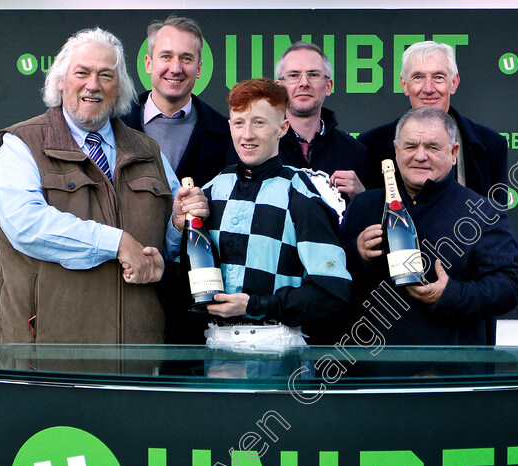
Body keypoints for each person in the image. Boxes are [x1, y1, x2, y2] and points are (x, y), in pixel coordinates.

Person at [0, 27, 206, 344]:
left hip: (137, 358)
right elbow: (27, 226)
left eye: (106, 75)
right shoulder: (21, 145)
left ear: (119, 88)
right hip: (49, 357)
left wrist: (175, 225)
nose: (93, 85)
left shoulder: (148, 151)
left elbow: (168, 250)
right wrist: (115, 242)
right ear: (60, 81)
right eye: (82, 73)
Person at [170, 78, 352, 349]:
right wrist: (176, 225)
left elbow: (333, 291)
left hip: (280, 346)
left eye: (259, 122)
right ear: (229, 126)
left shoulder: (302, 196)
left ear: (282, 128)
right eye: (240, 122)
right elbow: (179, 280)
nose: (248, 135)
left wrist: (255, 305)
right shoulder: (209, 191)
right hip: (215, 347)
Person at [341, 107, 518, 346]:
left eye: (432, 147)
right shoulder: (363, 206)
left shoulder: (483, 212)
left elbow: (509, 286)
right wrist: (356, 253)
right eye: (410, 146)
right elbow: (330, 278)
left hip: (448, 372)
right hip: (374, 373)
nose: (420, 156)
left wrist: (450, 294)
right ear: (396, 151)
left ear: (454, 152)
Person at [358, 41, 507, 203]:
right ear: (404, 84)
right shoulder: (371, 145)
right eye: (418, 77)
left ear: (454, 83)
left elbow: (496, 219)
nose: (428, 88)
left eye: (438, 77)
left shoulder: (491, 145)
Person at [122, 15, 231, 188]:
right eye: (166, 56)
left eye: (186, 58)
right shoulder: (114, 126)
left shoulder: (225, 133)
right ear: (148, 64)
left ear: (199, 68)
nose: (175, 69)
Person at [275, 42, 368, 200]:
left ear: (328, 86)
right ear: (278, 88)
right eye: (294, 75)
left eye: (313, 75)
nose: (304, 83)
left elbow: (373, 221)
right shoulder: (258, 147)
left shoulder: (355, 152)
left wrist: (361, 197)